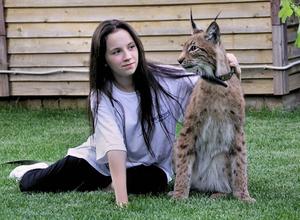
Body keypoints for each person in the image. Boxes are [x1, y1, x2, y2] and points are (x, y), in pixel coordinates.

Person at [9, 19, 240, 207]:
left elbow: (216, 78)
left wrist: (229, 61)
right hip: (99, 162)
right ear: (105, 60)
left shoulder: (168, 79)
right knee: (32, 185)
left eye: (130, 47)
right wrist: (122, 201)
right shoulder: (102, 96)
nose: (127, 56)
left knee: (155, 183)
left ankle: (106, 183)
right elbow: (115, 149)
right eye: (117, 52)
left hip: (149, 168)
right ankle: (37, 168)